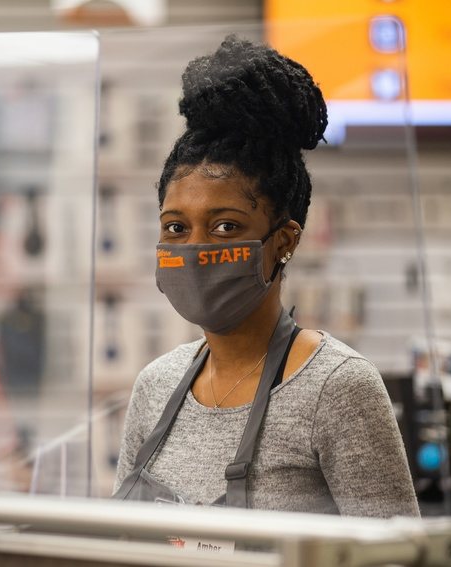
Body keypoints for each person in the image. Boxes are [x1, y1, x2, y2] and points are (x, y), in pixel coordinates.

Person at [113, 35, 419, 518]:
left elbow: (399, 555)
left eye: (225, 227)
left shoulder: (337, 388)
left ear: (284, 241)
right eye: (176, 227)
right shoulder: (156, 385)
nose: (193, 248)